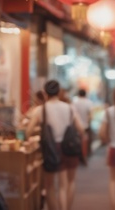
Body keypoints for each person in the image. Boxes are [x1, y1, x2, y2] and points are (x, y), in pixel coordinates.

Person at [27, 80, 85, 210]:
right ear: (59, 92)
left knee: (49, 186)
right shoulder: (69, 108)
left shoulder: (41, 110)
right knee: (67, 184)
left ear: (45, 92)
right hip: (68, 148)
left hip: (51, 149)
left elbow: (28, 131)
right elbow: (81, 129)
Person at [73, 89, 94, 158]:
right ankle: (85, 154)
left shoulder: (74, 103)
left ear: (78, 94)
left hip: (76, 126)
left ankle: (78, 154)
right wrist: (89, 121)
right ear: (85, 94)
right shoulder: (89, 102)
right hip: (86, 125)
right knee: (86, 141)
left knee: (77, 142)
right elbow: (90, 115)